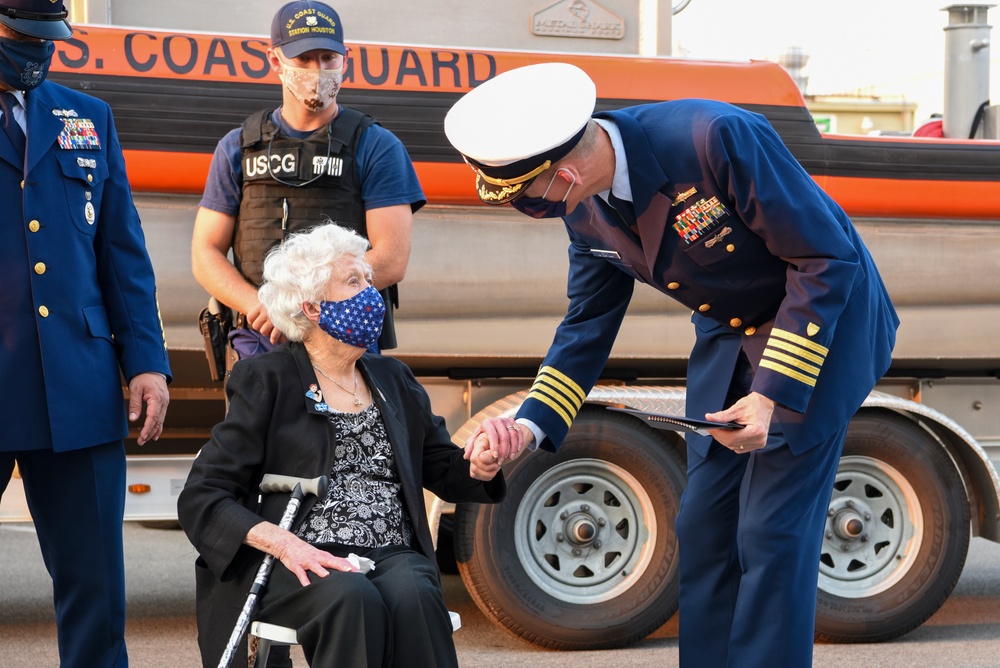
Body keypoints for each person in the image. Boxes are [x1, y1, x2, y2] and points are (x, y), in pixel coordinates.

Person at [444, 63, 899, 668]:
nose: (532, 212)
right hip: (729, 336)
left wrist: (771, 395)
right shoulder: (582, 206)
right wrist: (527, 427)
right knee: (705, 531)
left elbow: (825, 259)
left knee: (770, 535)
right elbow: (586, 326)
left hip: (818, 331)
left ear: (565, 174)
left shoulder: (715, 137)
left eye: (528, 200)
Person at [178, 223, 505, 668]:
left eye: (369, 280)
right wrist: (286, 545)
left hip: (391, 550)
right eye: (354, 281)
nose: (371, 294)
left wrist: (480, 465)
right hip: (301, 555)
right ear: (312, 307)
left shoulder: (393, 379)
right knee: (353, 599)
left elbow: (440, 465)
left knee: (416, 596)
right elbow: (204, 495)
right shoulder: (266, 380)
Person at [0, 2, 172, 666]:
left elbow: (121, 252)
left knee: (96, 596)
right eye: (23, 38)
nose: (39, 54)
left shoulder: (86, 118)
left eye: (49, 40)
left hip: (78, 389)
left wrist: (147, 362)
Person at [191, 0, 424, 364]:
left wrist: (301, 305)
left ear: (345, 58)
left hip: (346, 344)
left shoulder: (376, 145)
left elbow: (392, 259)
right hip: (259, 342)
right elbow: (205, 253)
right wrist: (264, 306)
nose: (318, 70)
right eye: (304, 59)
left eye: (328, 58)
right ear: (275, 61)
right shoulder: (237, 146)